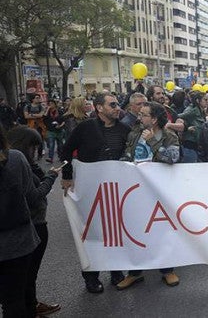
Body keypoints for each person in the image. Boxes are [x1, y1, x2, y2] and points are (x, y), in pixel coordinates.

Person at [60, 93, 131, 293]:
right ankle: (91, 276)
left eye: (117, 104)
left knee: (115, 233)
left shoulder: (125, 129)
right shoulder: (85, 128)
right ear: (99, 108)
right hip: (90, 190)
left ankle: (116, 271)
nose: (118, 108)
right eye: (113, 104)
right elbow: (65, 151)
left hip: (116, 191)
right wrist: (67, 176)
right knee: (92, 233)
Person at [116, 101, 181, 290]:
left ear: (153, 119)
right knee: (136, 230)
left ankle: (167, 270)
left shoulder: (168, 135)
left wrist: (152, 141)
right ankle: (134, 273)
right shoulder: (135, 132)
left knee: (161, 230)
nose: (139, 117)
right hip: (135, 189)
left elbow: (172, 158)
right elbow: (128, 154)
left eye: (144, 115)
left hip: (158, 190)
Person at [0, 126, 62, 317]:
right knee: (16, 297)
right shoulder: (15, 159)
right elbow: (33, 197)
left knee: (11, 296)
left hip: (15, 238)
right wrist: (51, 177)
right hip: (17, 239)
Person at [169, 92, 207, 163]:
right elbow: (178, 116)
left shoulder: (201, 111)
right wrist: (187, 128)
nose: (207, 102)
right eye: (205, 100)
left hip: (196, 142)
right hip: (190, 143)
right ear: (198, 101)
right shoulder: (192, 110)